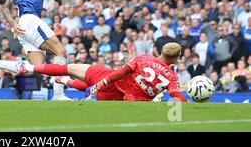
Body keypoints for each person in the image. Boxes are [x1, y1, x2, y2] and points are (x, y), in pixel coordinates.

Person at [14, 42, 187, 102]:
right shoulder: (172, 76)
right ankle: (65, 81)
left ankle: (28, 68)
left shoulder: (144, 58)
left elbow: (120, 72)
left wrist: (101, 83)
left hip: (110, 81)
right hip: (121, 100)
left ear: (162, 51)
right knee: (84, 82)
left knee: (68, 68)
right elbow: (177, 97)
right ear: (176, 58)